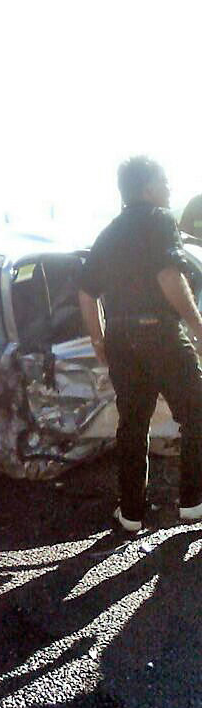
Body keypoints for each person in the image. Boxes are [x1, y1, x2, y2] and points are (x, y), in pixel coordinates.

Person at [78, 156, 202, 532]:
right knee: (197, 414)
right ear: (148, 187)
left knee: (132, 424)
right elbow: (168, 275)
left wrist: (99, 339)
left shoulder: (109, 233)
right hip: (158, 333)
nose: (169, 188)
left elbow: (85, 292)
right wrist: (198, 328)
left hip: (120, 338)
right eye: (164, 181)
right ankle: (193, 503)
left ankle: (131, 513)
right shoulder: (160, 220)